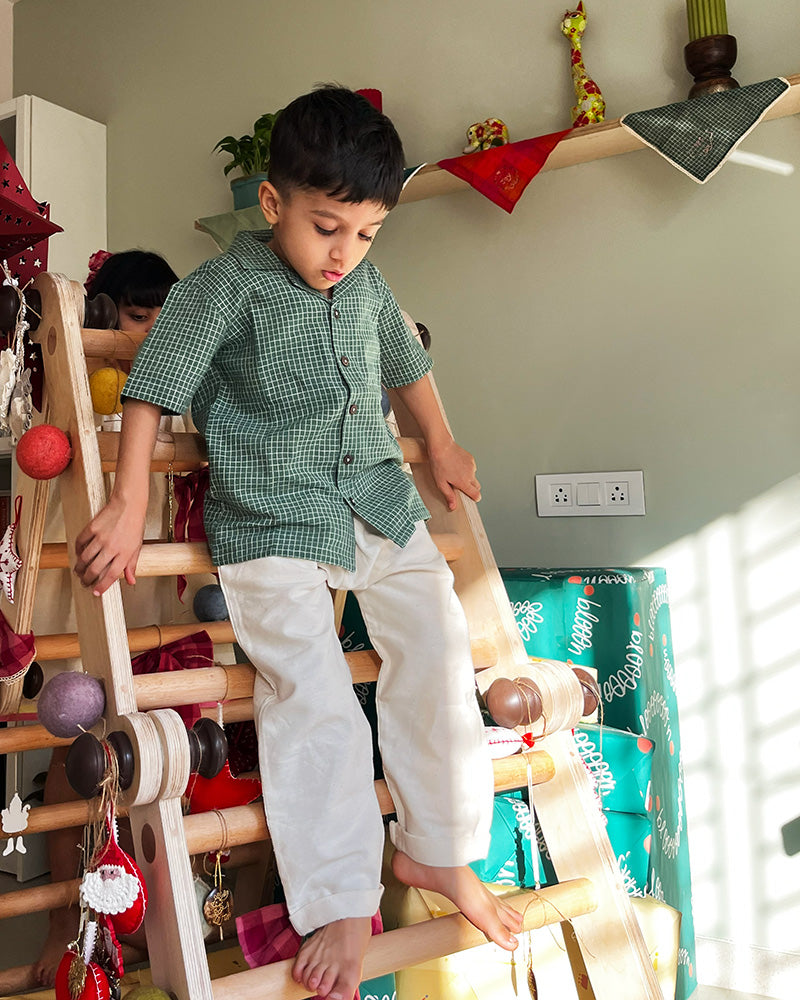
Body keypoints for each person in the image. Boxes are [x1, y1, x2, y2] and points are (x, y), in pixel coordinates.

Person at [73, 86, 523, 1000]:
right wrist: (124, 505)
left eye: (365, 234)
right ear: (274, 204)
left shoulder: (364, 281)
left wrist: (438, 441)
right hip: (270, 521)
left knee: (437, 647)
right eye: (327, 229)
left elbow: (407, 361)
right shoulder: (222, 287)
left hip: (376, 500)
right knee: (309, 694)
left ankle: (436, 853)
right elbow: (152, 386)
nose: (344, 253)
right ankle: (339, 904)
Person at [29, 249, 178, 990]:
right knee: (76, 742)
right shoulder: (78, 371)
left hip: (149, 561)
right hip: (84, 542)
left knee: (140, 742)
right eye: (138, 317)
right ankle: (62, 920)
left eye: (162, 319)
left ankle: (131, 914)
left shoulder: (173, 376)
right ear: (101, 314)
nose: (149, 334)